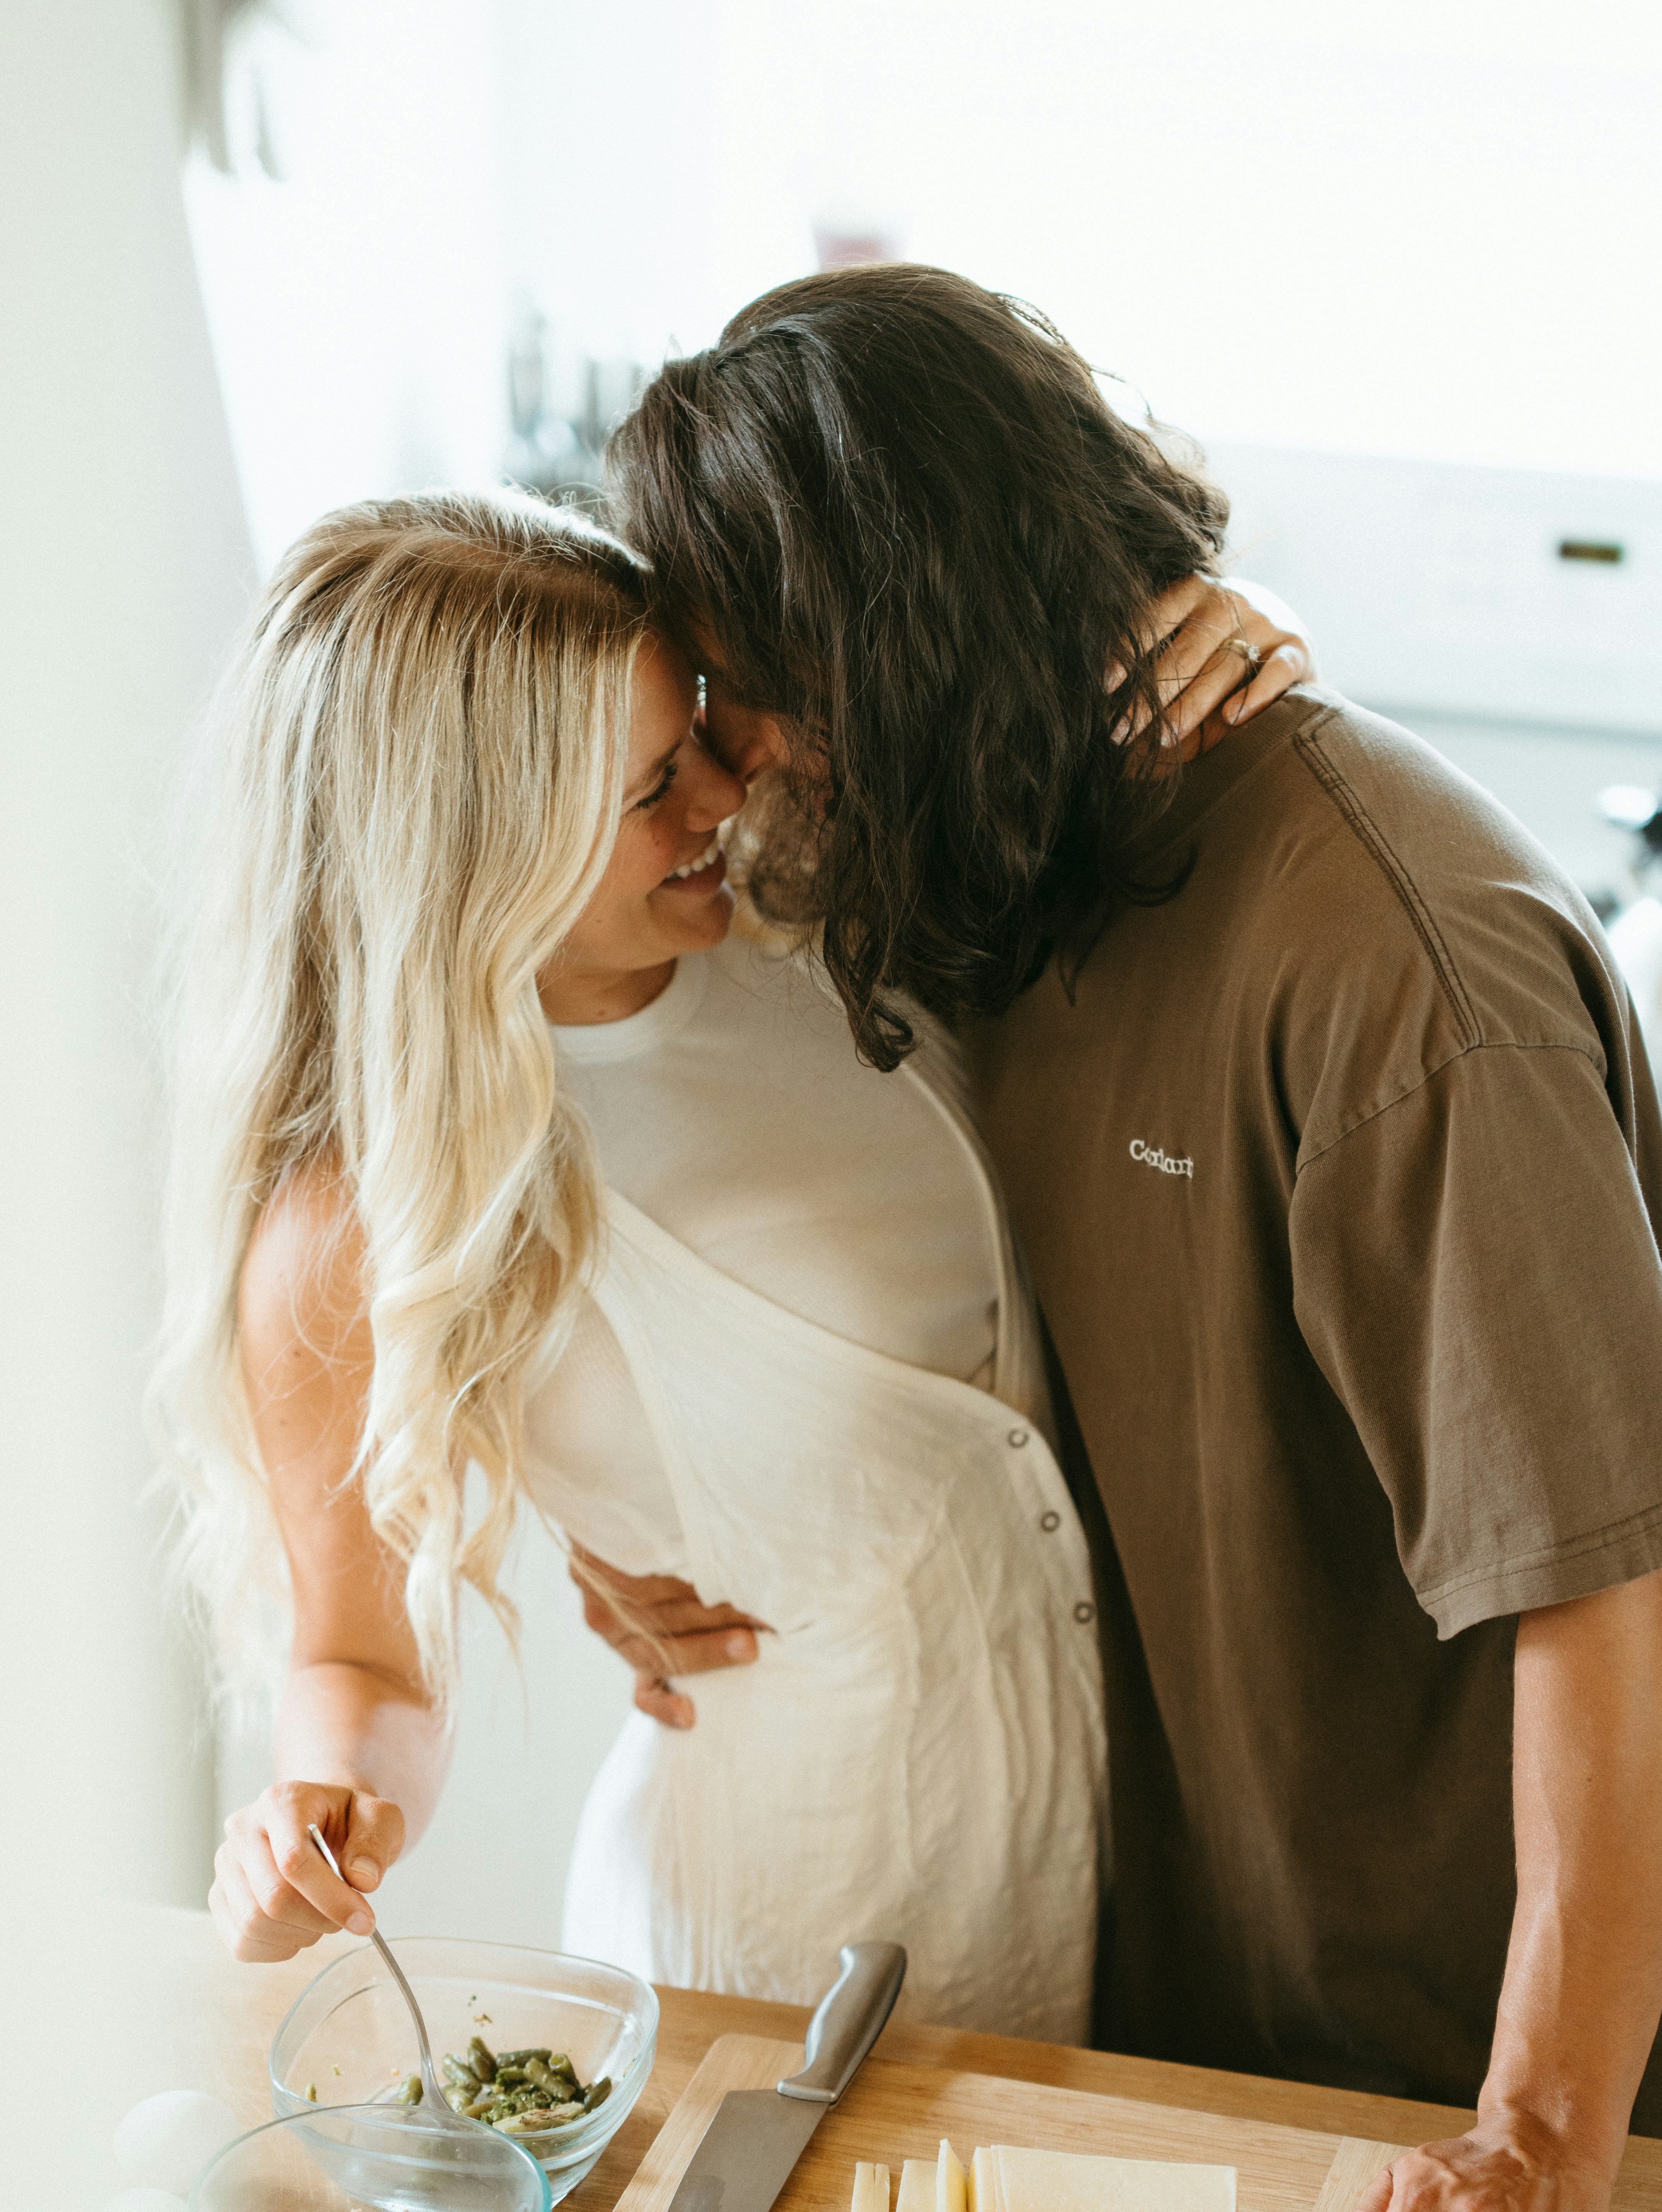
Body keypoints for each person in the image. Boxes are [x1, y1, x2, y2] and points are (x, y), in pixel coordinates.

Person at [595, 263, 1662, 2212]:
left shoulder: (1405, 987)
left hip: (1477, 2072)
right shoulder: (985, 869)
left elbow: (1624, 1586)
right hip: (1189, 1998)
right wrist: (601, 1525)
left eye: (751, 699)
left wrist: (1540, 2129)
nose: (727, 776)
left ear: (899, 654)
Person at [156, 484, 1310, 2037]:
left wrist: (1226, 664)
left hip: (1093, 1840)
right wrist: (320, 1816)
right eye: (647, 788)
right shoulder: (363, 1226)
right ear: (482, 844)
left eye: (694, 732)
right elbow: (361, 1657)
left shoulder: (809, 915)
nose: (721, 792)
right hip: (786, 1925)